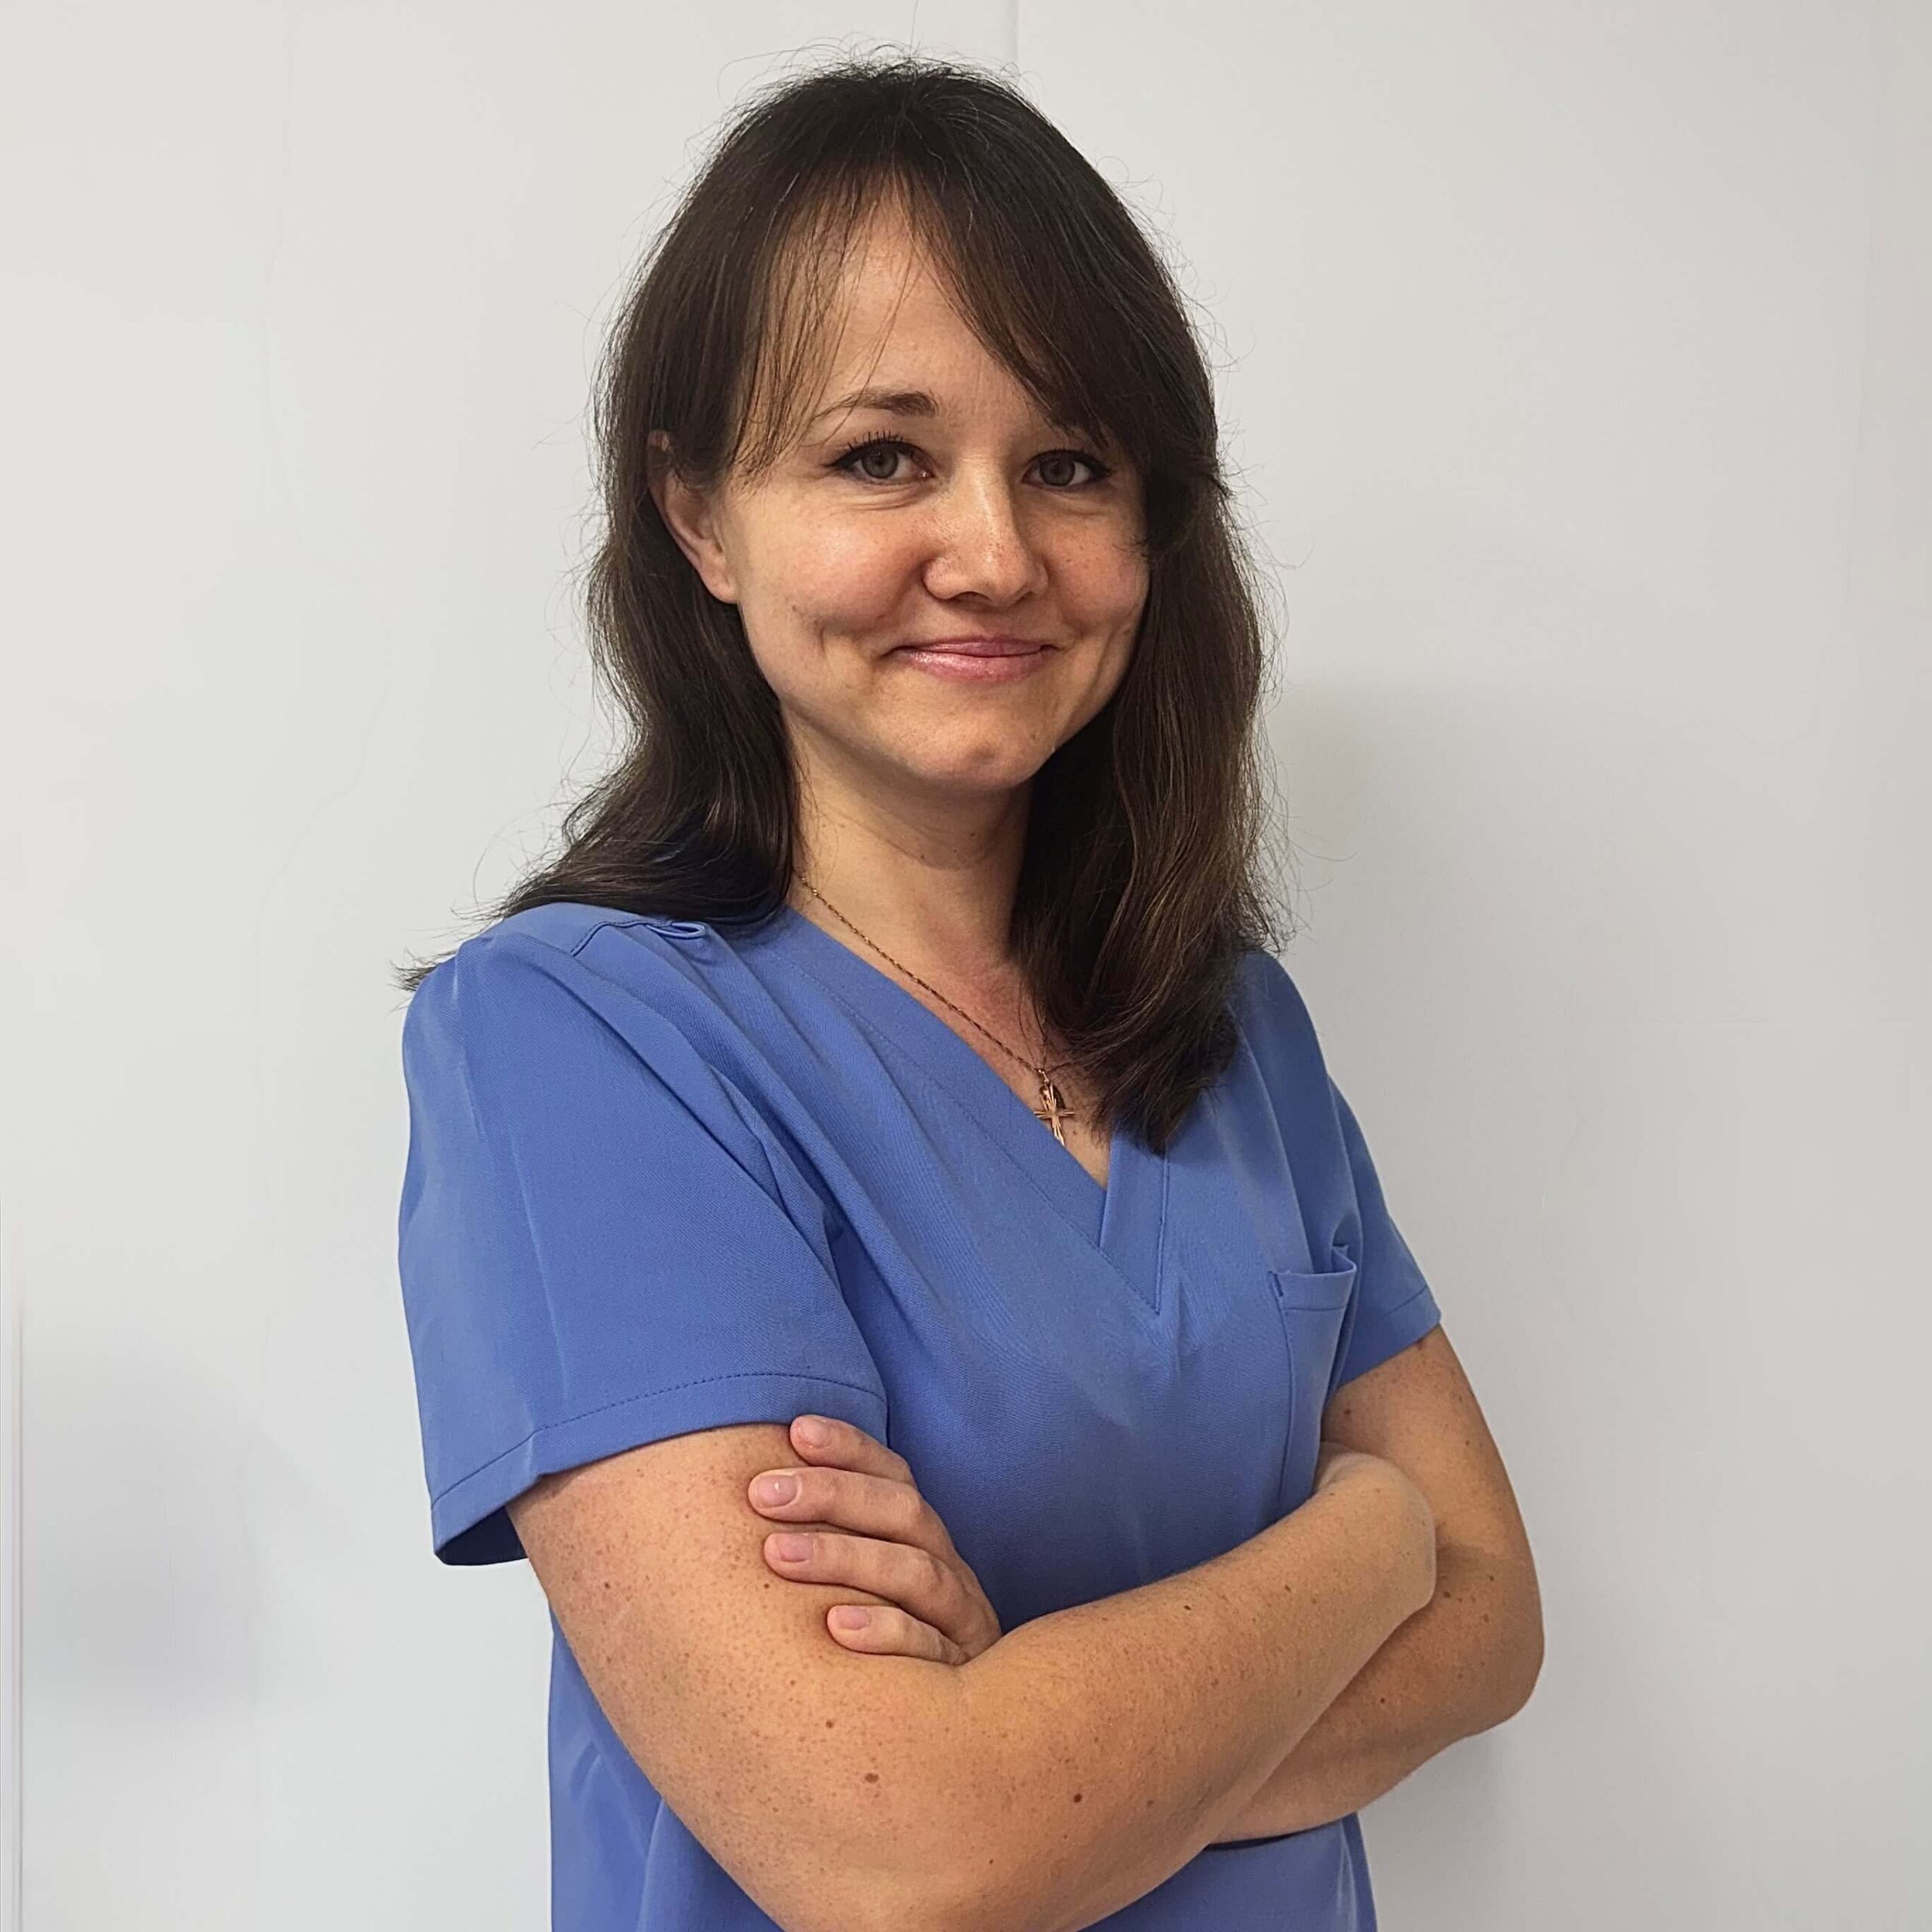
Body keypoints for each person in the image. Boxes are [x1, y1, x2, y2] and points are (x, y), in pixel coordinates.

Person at [394, 49, 1542, 1932]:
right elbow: (897, 1851)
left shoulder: (1233, 1030)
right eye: (880, 456)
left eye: (1069, 464)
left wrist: (1038, 1751)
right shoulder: (578, 1043)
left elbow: (1493, 1622)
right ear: (699, 517)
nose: (996, 555)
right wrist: (1369, 1530)